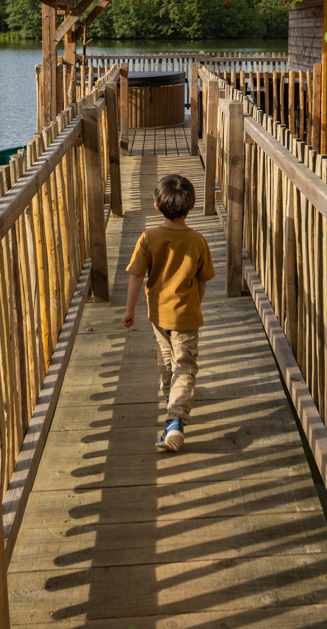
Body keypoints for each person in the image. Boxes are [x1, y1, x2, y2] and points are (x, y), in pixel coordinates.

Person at [122, 172, 215, 451]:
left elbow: (136, 276)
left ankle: (172, 410)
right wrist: (195, 304)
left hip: (157, 314)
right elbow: (202, 279)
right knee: (184, 366)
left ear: (156, 205)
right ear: (192, 206)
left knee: (166, 361)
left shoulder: (148, 237)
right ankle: (175, 419)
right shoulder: (197, 240)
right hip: (186, 315)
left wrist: (130, 310)